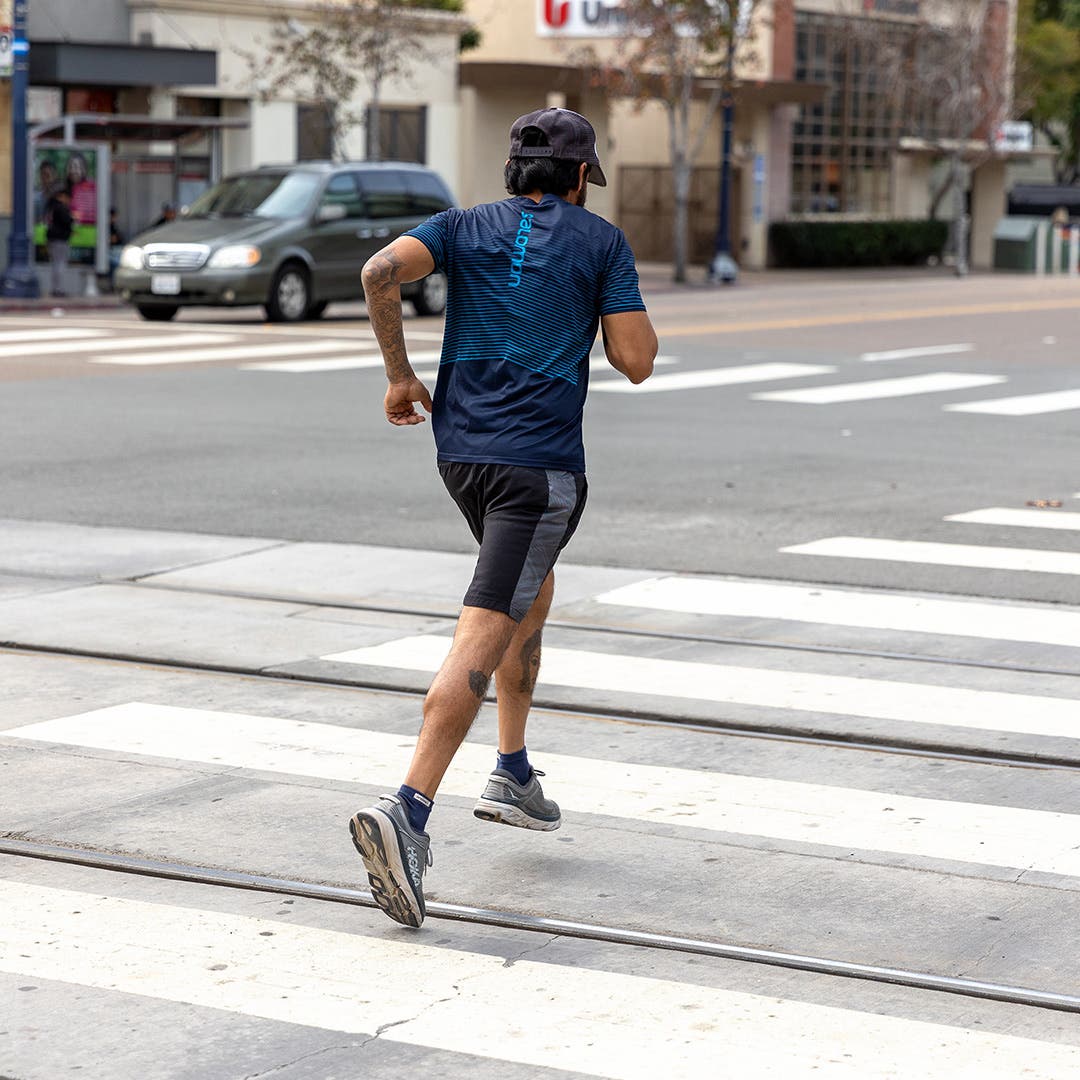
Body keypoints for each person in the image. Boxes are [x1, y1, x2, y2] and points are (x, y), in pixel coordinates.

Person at [349, 107, 658, 928]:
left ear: (512, 167)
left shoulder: (459, 226)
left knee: (533, 590)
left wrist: (399, 376)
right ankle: (408, 810)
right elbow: (635, 361)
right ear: (583, 175)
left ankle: (513, 771)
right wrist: (600, 298)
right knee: (483, 630)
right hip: (538, 470)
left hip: (464, 459)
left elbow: (380, 271)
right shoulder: (602, 243)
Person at [45, 189, 74, 297]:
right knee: (60, 263)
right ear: (62, 196)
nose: (69, 201)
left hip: (53, 238)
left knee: (56, 264)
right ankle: (58, 289)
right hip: (60, 239)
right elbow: (67, 221)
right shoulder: (60, 207)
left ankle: (55, 288)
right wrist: (72, 218)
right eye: (67, 198)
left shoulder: (51, 206)